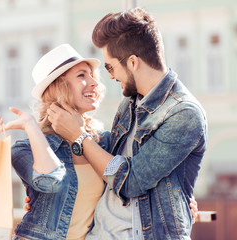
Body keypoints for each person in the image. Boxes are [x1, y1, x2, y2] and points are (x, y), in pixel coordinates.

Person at [45, 7, 207, 240]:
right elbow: (105, 163)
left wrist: (79, 136)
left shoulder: (184, 113)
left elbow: (129, 182)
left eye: (110, 66)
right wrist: (42, 195)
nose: (109, 76)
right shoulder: (129, 103)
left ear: (132, 62)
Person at [0, 43, 111, 240]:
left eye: (92, 75)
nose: (94, 82)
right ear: (58, 87)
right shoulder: (25, 148)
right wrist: (30, 125)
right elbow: (50, 182)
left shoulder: (105, 142)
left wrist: (78, 132)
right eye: (82, 75)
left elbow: (127, 184)